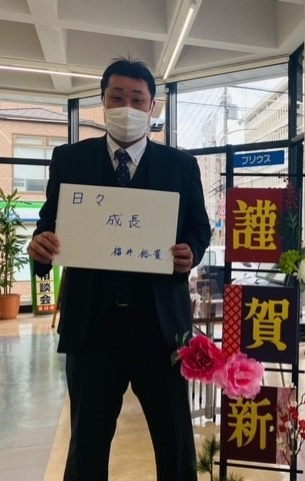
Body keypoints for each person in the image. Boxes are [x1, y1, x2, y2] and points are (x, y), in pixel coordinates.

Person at [27, 58, 211, 481]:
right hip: (92, 328)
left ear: (152, 107)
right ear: (103, 101)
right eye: (117, 97)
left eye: (137, 99)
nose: (127, 107)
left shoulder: (181, 166)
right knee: (87, 445)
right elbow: (48, 225)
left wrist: (192, 251)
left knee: (175, 443)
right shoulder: (69, 159)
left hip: (160, 331)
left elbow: (199, 228)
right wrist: (40, 247)